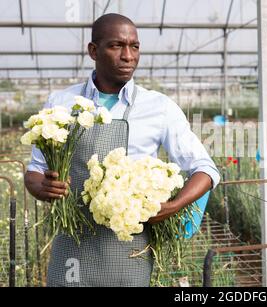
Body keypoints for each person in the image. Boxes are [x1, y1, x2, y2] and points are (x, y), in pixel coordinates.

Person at [24, 13, 220, 287]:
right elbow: (34, 170)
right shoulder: (62, 102)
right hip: (73, 244)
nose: (128, 56)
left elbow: (205, 169)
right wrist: (41, 186)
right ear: (94, 51)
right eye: (116, 45)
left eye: (134, 46)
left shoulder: (159, 107)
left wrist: (172, 206)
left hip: (130, 250)